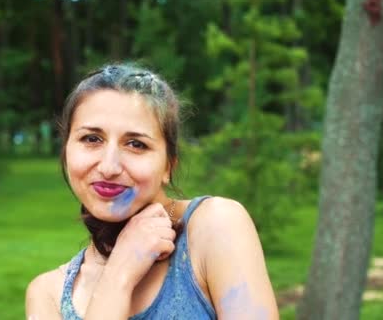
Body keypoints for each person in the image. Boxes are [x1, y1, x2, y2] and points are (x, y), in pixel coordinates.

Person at [26, 64, 278, 319]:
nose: (109, 167)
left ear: (168, 165)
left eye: (136, 144)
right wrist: (118, 276)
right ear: (67, 149)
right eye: (92, 139)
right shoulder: (49, 295)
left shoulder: (215, 228)